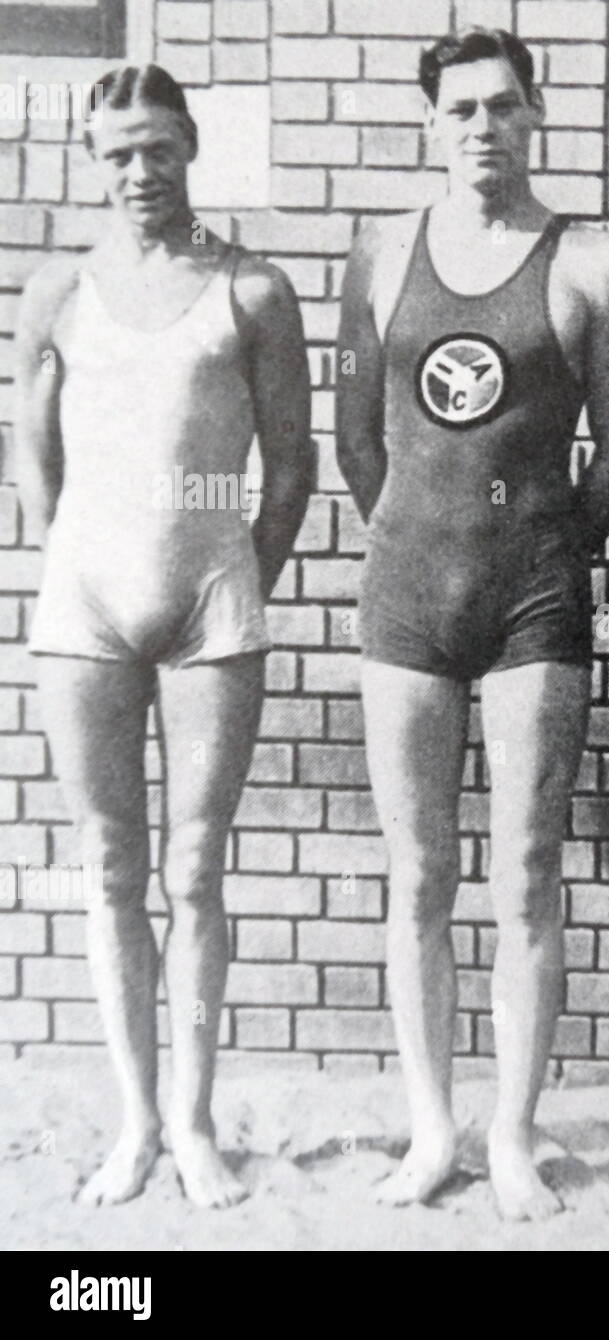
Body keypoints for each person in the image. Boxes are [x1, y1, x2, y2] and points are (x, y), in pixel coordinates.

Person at [335, 28, 609, 1221]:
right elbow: (356, 433)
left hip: (536, 600)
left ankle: (511, 1134)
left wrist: (554, 542)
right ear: (431, 122)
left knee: (526, 873)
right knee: (416, 872)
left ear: (536, 118)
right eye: (460, 108)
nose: (482, 128)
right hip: (406, 597)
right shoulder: (377, 251)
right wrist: (413, 528)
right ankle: (432, 1129)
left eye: (503, 107)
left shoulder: (591, 261)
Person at [14, 64, 314, 1208]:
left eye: (158, 148)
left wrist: (239, 573)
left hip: (210, 607)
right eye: (117, 153)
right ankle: (133, 1121)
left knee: (195, 870)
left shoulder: (252, 289)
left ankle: (193, 1120)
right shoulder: (57, 289)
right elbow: (29, 441)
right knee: (110, 869)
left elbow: (290, 463)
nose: (140, 172)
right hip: (83, 609)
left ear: (192, 146)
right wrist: (69, 555)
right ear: (93, 160)